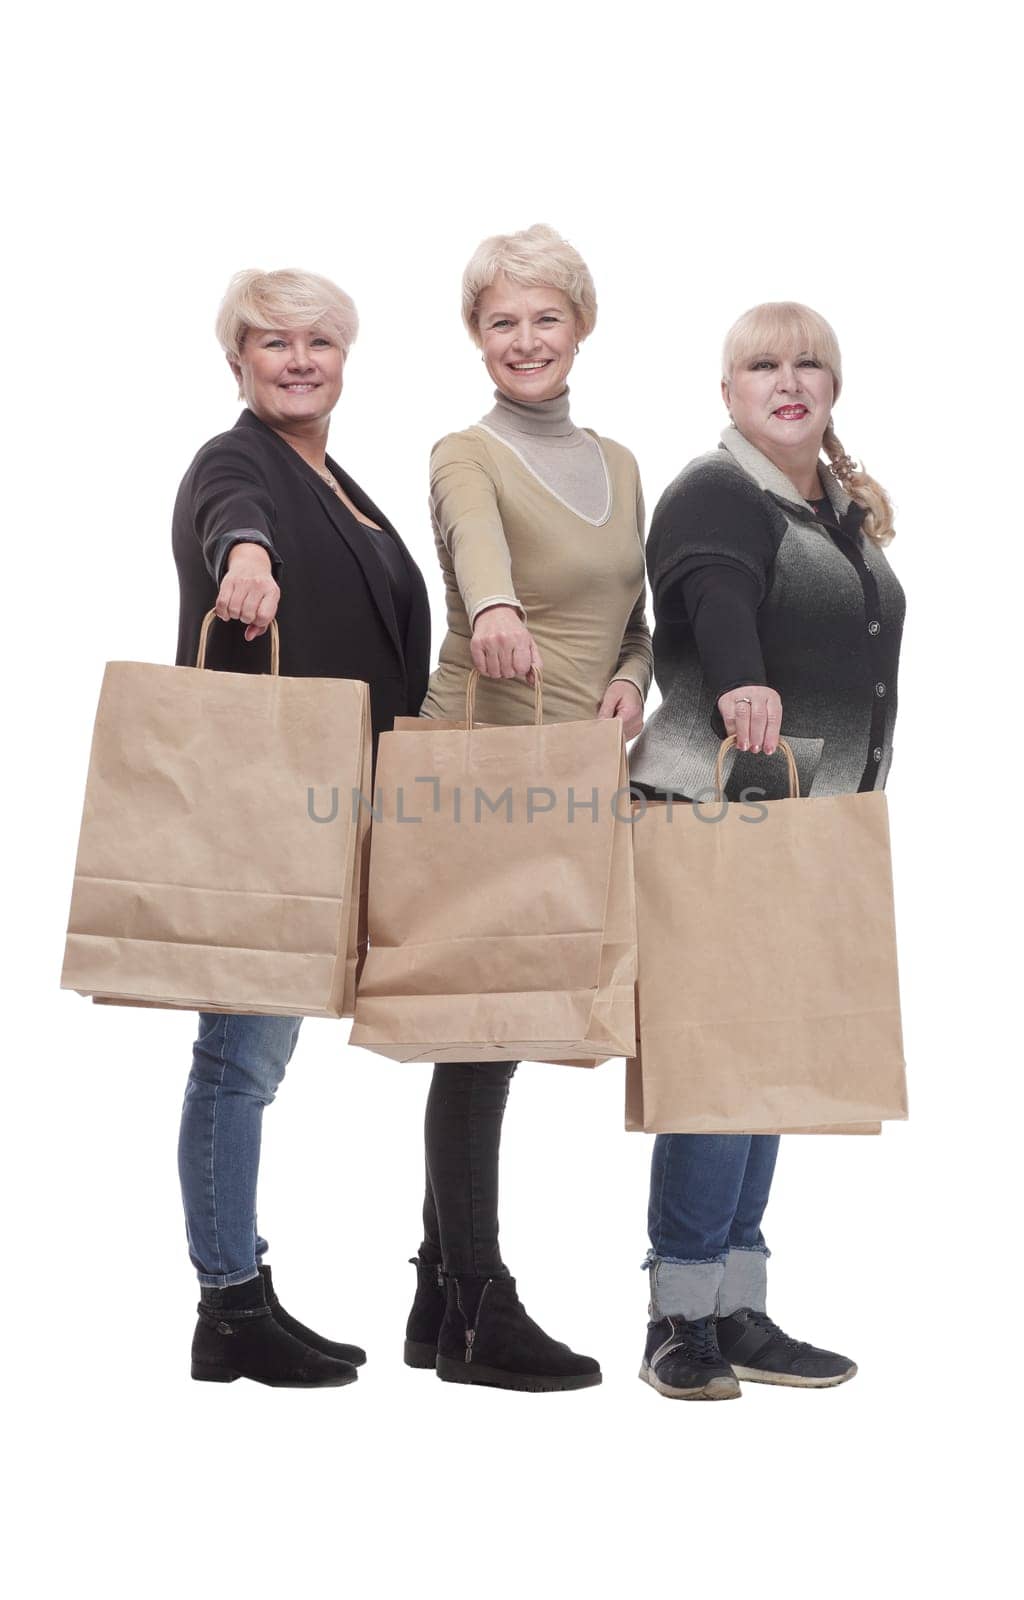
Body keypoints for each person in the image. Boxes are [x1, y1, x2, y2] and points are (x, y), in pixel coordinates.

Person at [628, 301, 905, 1401]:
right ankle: (674, 1317)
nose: (785, 379)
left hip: (808, 815)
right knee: (717, 1063)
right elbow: (712, 590)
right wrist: (741, 675)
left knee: (770, 1065)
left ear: (831, 388)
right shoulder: (716, 491)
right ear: (727, 389)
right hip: (714, 809)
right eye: (760, 363)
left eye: (807, 364)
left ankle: (735, 1306)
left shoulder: (831, 509)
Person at [404, 224, 652, 1391]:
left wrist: (627, 680)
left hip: (574, 764)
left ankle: (429, 1294)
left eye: (542, 318)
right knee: (482, 1030)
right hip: (485, 764)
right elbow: (475, 549)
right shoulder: (466, 451)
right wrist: (491, 608)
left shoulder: (620, 462)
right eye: (499, 321)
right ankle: (477, 1306)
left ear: (578, 325)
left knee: (494, 1023)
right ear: (476, 337)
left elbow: (636, 618)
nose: (523, 340)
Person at [173, 268, 431, 1386]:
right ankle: (230, 1303)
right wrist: (246, 563)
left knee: (255, 1054)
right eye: (271, 341)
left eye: (318, 340)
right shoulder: (239, 463)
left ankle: (238, 1299)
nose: (296, 359)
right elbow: (238, 523)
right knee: (238, 1058)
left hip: (346, 803)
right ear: (237, 359)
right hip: (266, 807)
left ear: (344, 358)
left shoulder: (343, 482)